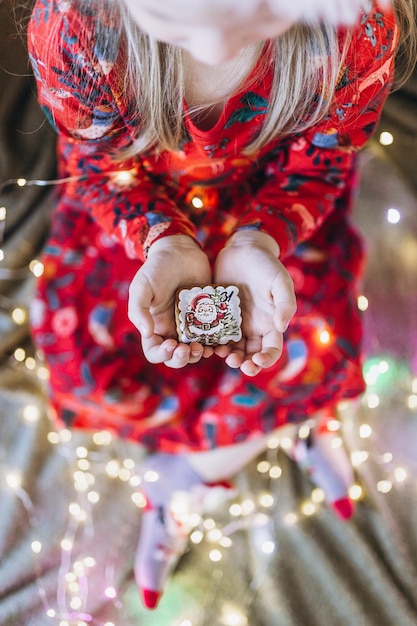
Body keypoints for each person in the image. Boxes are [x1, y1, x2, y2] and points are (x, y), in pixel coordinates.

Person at [27, 0, 415, 610]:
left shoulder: (355, 29)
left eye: (260, 16)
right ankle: (227, 455)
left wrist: (265, 235)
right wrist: (162, 237)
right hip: (140, 224)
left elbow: (322, 163)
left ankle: (214, 466)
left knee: (303, 355)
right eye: (176, 24)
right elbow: (98, 167)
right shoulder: (77, 31)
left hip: (276, 219)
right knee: (108, 374)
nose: (212, 49)